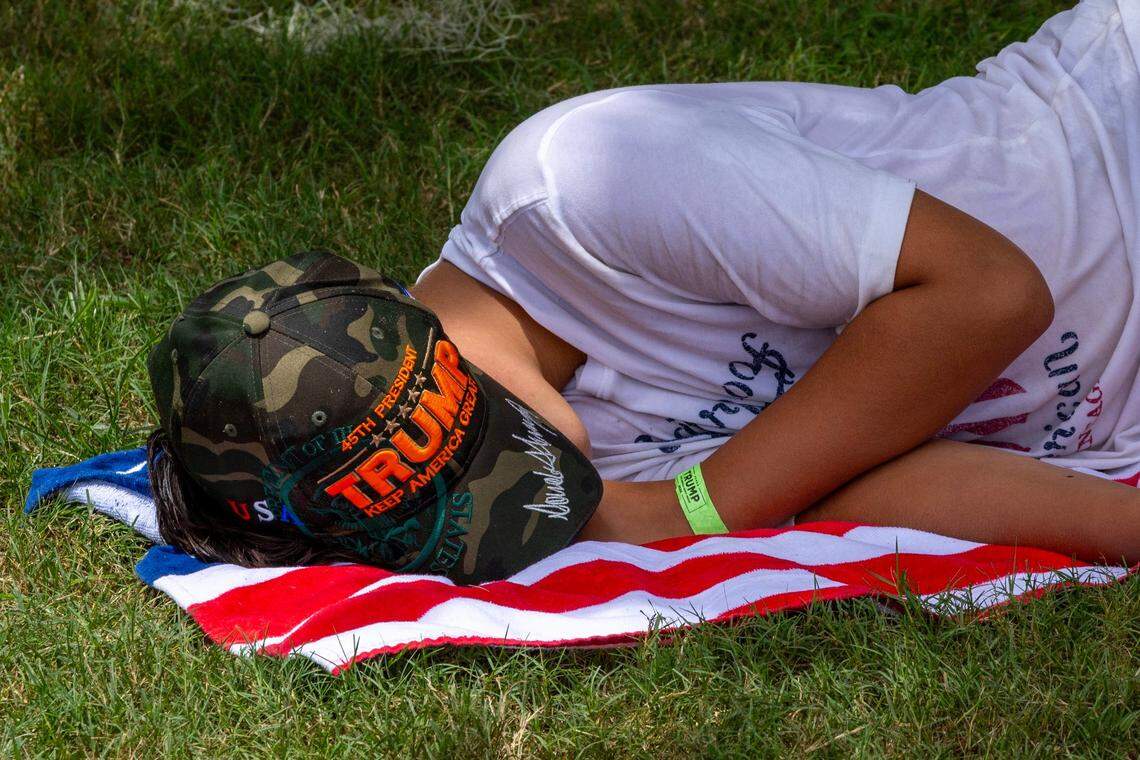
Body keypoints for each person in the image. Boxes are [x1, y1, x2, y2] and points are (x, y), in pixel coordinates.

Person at [148, 0, 1140, 579]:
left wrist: (704, 506)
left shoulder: (586, 185)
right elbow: (874, 477)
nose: (517, 499)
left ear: (428, 335)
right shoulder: (572, 473)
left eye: (485, 452)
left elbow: (991, 291)